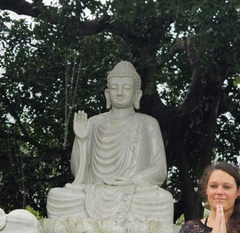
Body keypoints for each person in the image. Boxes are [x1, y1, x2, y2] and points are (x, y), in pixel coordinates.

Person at [46, 61, 174, 222]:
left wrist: (133, 181)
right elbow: (78, 172)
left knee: (163, 200)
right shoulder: (93, 123)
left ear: (137, 94)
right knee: (56, 197)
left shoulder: (148, 123)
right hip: (93, 191)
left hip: (133, 193)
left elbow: (159, 169)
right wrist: (81, 140)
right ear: (107, 94)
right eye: (114, 87)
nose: (120, 93)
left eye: (126, 88)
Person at [180, 163, 240, 233]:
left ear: (238, 191)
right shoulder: (189, 229)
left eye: (227, 187)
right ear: (206, 190)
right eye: (213, 186)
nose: (219, 192)